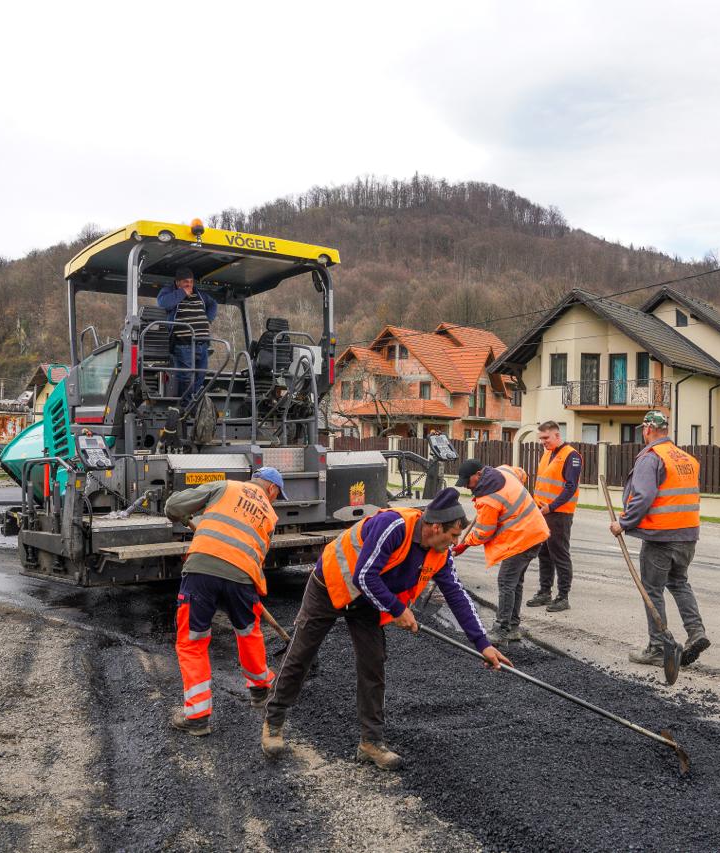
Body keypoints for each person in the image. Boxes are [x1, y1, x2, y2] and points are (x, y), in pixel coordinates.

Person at [260, 488, 511, 769]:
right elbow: (364, 575)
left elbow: (456, 594)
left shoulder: (440, 553)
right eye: (453, 536)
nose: (454, 543)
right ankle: (274, 723)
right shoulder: (393, 526)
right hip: (331, 585)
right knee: (301, 654)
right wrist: (397, 609)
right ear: (436, 526)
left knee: (373, 664)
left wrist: (483, 644)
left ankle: (370, 742)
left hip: (368, 599)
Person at [164, 467, 287, 736]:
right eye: (278, 496)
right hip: (243, 576)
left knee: (193, 642)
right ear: (272, 489)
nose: (276, 501)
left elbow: (172, 506)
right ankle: (260, 691)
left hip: (202, 571)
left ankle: (197, 718)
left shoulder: (225, 487)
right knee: (248, 631)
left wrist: (184, 516)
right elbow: (259, 556)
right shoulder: (270, 514)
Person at [609, 410, 709, 668]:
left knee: (652, 590)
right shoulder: (686, 458)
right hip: (688, 534)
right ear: (665, 430)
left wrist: (623, 523)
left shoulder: (651, 458)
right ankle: (696, 632)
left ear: (647, 429)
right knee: (679, 582)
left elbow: (643, 496)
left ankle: (656, 647)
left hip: (660, 537)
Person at [453, 459, 550, 644]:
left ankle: (501, 629)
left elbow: (483, 533)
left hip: (521, 540)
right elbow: (522, 473)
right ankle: (513, 627)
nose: (466, 486)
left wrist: (463, 545)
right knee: (515, 583)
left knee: (506, 582)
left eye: (468, 481)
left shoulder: (488, 500)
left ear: (479, 475)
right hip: (535, 533)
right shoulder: (504, 471)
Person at [526, 420, 582, 612]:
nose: (543, 441)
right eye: (541, 438)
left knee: (560, 554)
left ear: (557, 436)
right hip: (542, 512)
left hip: (559, 514)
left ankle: (563, 596)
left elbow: (570, 487)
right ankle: (544, 592)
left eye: (546, 438)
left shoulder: (571, 456)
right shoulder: (547, 453)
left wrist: (552, 506)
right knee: (544, 553)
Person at [156, 266, 218, 405]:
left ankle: (192, 402)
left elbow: (213, 303)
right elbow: (163, 304)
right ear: (177, 283)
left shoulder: (199, 294)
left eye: (190, 281)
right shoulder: (169, 292)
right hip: (183, 343)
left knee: (201, 374)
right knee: (186, 376)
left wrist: (208, 318)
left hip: (202, 343)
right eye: (185, 282)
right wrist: (182, 292)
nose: (189, 284)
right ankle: (186, 404)